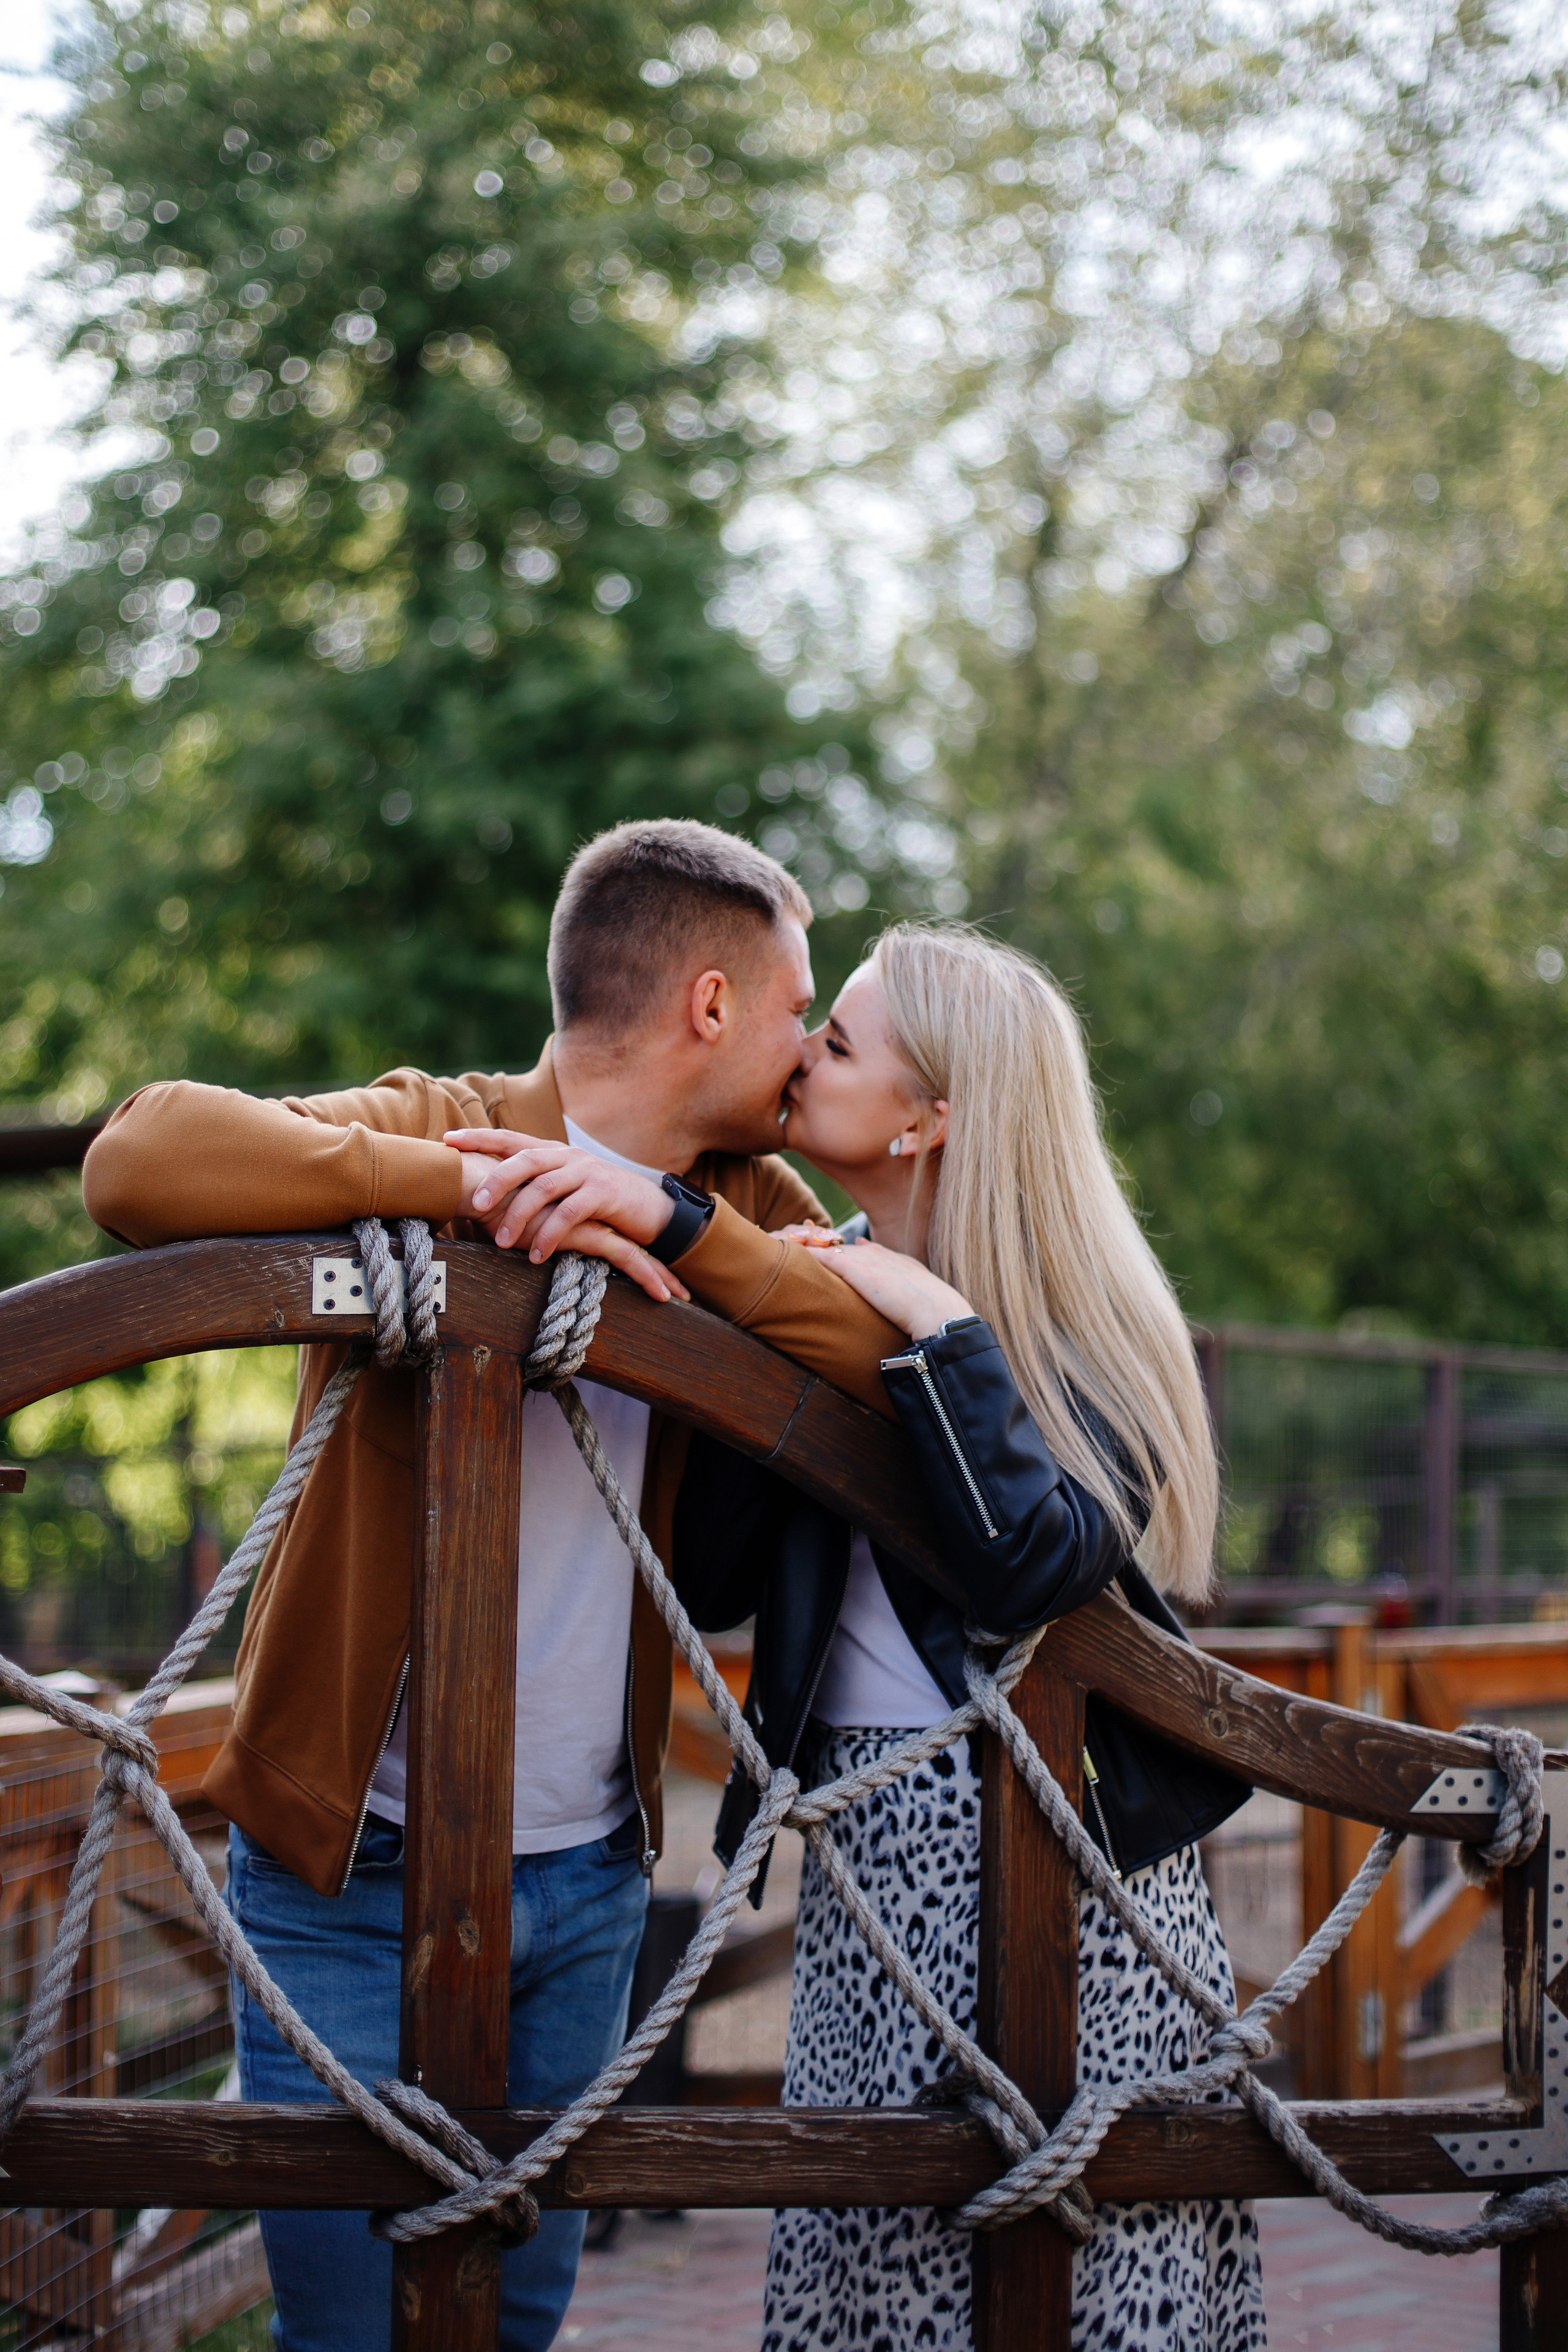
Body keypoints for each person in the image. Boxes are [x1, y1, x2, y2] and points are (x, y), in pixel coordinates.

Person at [80, 819, 903, 2352]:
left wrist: (676, 1233)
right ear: (710, 1006)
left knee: (511, 2324)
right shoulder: (443, 1115)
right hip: (341, 1872)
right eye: (797, 1005)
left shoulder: (742, 1194)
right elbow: (135, 1158)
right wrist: (456, 1189)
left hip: (589, 1880)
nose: (805, 1048)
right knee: (342, 2331)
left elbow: (890, 1363)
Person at [481, 922, 1266, 2352]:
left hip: (1063, 1872)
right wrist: (750, 1324)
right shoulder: (808, 1274)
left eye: (835, 1042)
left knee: (1082, 2271)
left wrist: (928, 1324)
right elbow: (717, 1579)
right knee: (868, 2263)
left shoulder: (1076, 1327)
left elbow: (1031, 1561)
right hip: (869, 1857)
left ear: (927, 1117)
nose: (798, 1054)